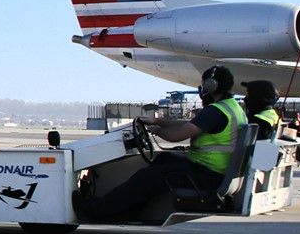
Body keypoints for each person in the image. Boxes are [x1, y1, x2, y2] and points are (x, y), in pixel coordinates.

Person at [80, 65, 248, 223]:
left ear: (211, 85)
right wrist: (158, 122)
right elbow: (189, 124)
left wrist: (157, 131)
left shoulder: (215, 111)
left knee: (146, 177)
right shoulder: (231, 108)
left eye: (204, 84)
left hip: (207, 174)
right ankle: (126, 212)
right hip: (214, 171)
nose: (202, 88)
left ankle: (99, 211)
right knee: (162, 159)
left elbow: (176, 135)